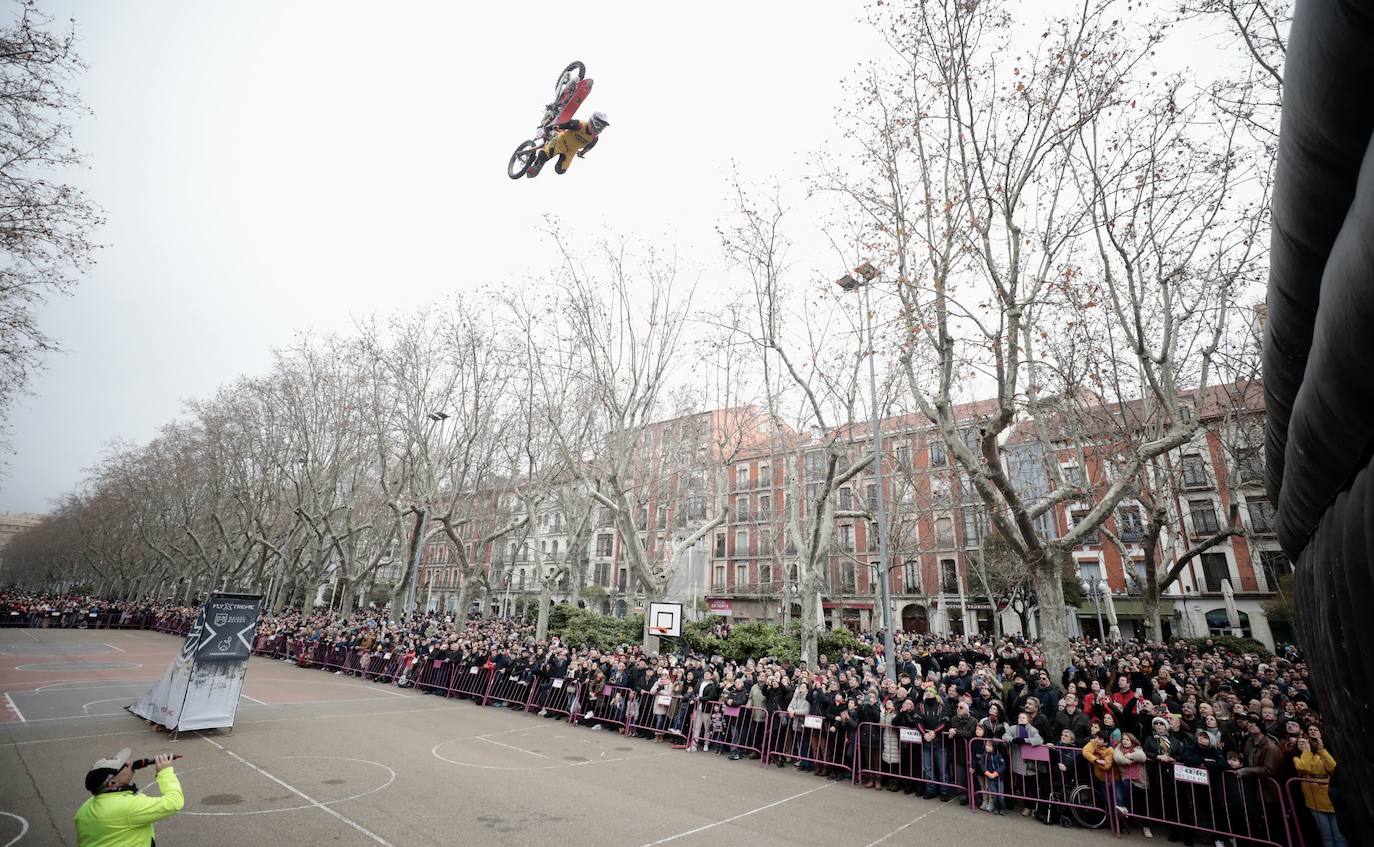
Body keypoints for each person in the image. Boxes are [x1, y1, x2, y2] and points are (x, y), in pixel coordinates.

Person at [75, 748, 183, 847]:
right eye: (124, 765)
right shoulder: (128, 806)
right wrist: (165, 772)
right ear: (112, 783)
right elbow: (174, 802)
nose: (129, 762)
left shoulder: (84, 809)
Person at [530, 112, 610, 176]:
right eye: (598, 125)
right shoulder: (579, 125)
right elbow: (562, 124)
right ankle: (537, 163)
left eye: (601, 128)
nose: (598, 129)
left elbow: (589, 147)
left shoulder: (594, 139)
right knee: (545, 155)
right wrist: (547, 129)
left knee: (560, 170)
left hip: (570, 152)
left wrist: (582, 153)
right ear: (591, 121)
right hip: (561, 142)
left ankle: (545, 153)